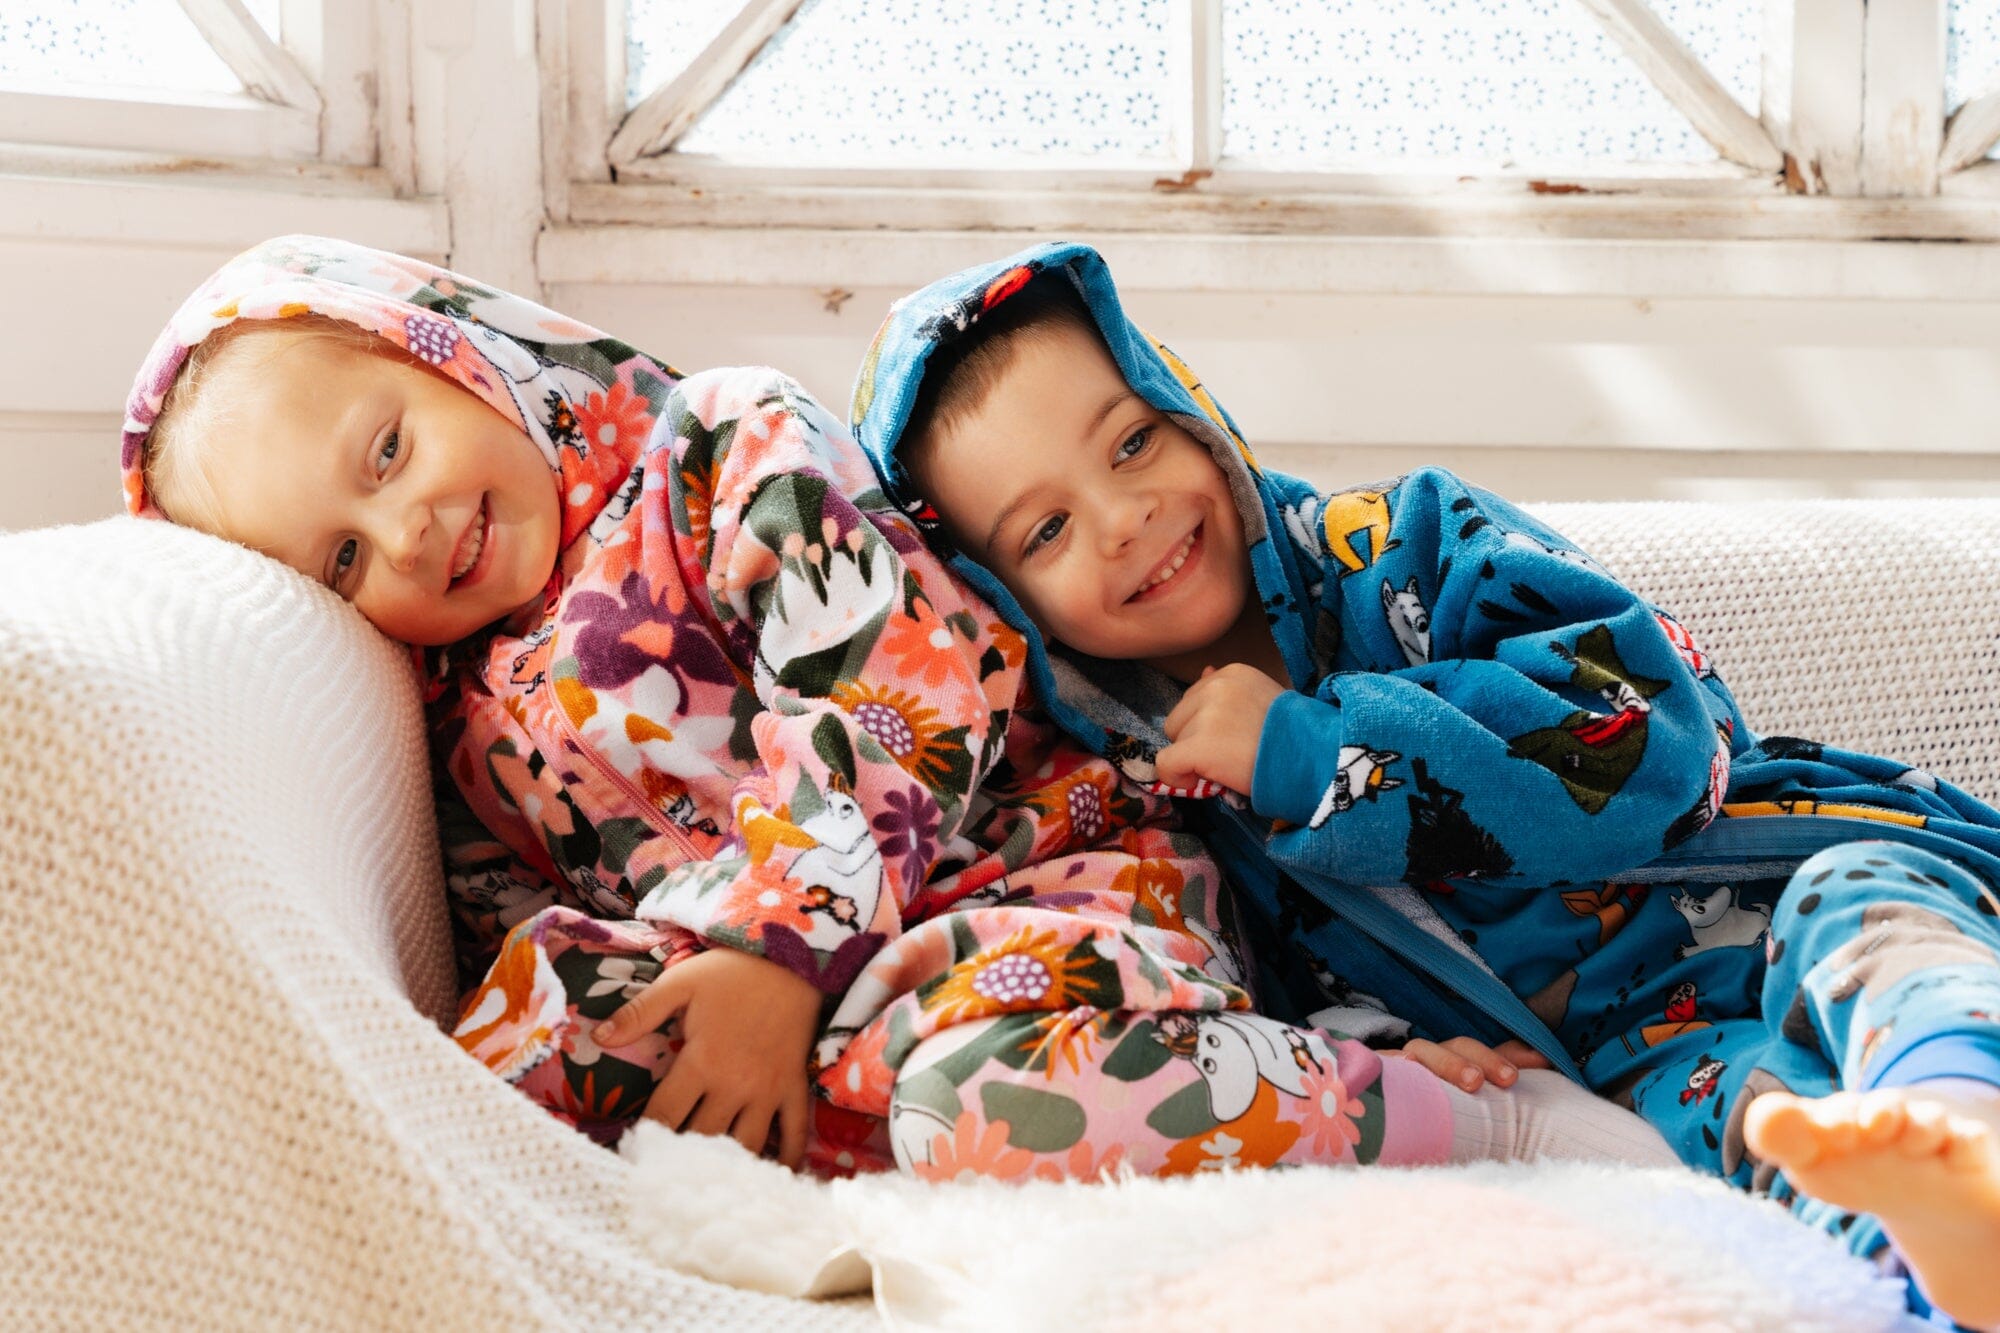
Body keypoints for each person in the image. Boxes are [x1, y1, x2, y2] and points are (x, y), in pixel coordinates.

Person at [118, 234, 1671, 1191]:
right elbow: (511, 905)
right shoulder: (460, 710)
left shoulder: (716, 446)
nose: (403, 537)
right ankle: (807, 1144)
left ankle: (1473, 1126)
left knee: (988, 1104)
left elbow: (889, 680)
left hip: (1018, 888)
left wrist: (777, 949)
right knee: (501, 1059)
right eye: (341, 557)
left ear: (455, 355)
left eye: (388, 451)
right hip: (777, 992)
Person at [852, 241, 2000, 1327]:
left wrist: (1314, 752)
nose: (1121, 518)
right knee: (1756, 1128)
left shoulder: (1410, 544)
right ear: (1002, 602)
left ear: (1188, 408)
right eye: (1046, 529)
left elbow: (1650, 736)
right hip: (1640, 1046)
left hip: (1789, 868)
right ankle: (1936, 1257)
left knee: (1861, 921)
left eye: (1132, 443)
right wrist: (1385, 1046)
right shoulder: (1151, 793)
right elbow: (1259, 988)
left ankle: (1963, 1121)